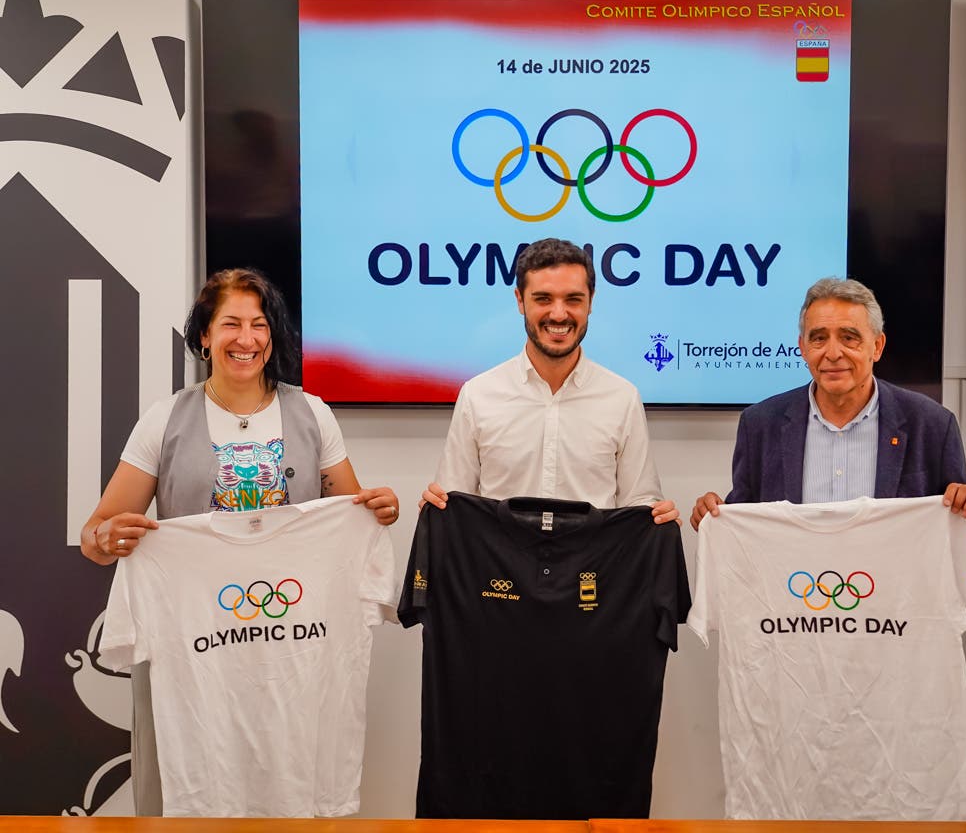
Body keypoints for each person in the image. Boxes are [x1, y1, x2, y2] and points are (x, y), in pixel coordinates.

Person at [79, 268, 400, 815]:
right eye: (231, 324)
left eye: (259, 324)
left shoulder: (312, 414)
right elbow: (96, 533)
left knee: (291, 774)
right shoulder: (165, 420)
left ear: (272, 336)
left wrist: (378, 510)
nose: (246, 339)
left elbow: (348, 516)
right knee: (186, 780)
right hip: (195, 648)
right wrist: (107, 537)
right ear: (204, 335)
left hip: (291, 645)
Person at [690, 276, 966, 559]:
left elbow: (963, 547)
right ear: (802, 348)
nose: (833, 353)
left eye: (849, 338)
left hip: (893, 596)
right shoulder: (760, 425)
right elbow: (744, 536)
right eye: (819, 339)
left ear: (877, 346)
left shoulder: (931, 425)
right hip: (792, 594)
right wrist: (715, 518)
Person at [421, 237, 678, 523]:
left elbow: (639, 506)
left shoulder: (622, 398)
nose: (558, 314)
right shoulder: (477, 395)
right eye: (543, 299)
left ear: (591, 301)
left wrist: (655, 516)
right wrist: (437, 510)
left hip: (594, 554)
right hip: (497, 555)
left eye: (573, 299)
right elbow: (453, 504)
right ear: (520, 301)